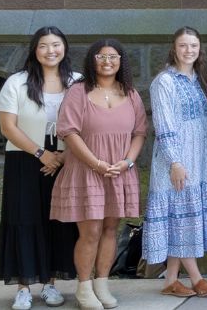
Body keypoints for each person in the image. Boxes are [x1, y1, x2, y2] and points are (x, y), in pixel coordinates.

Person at [51, 39, 146, 310]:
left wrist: (127, 162)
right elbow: (69, 132)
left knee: (110, 229)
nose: (107, 62)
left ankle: (102, 284)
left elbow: (139, 133)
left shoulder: (131, 94)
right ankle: (84, 288)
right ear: (92, 60)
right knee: (90, 231)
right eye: (101, 56)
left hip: (118, 172)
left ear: (121, 61)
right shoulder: (78, 92)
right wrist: (96, 164)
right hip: (87, 171)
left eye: (113, 57)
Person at [0, 27, 79, 310]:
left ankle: (50, 284)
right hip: (24, 157)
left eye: (56, 45)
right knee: (24, 219)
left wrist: (64, 156)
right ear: (34, 49)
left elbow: (87, 123)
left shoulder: (77, 81)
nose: (50, 51)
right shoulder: (17, 82)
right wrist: (42, 154)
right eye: (43, 45)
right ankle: (23, 287)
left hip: (66, 157)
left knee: (57, 221)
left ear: (64, 48)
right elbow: (8, 127)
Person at [143, 28, 207, 299]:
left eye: (194, 45)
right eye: (183, 45)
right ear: (174, 49)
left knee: (182, 218)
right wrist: (175, 162)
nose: (189, 51)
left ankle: (171, 279)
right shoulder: (164, 82)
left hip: (200, 159)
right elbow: (163, 124)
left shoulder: (201, 79)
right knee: (180, 216)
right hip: (176, 159)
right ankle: (197, 277)